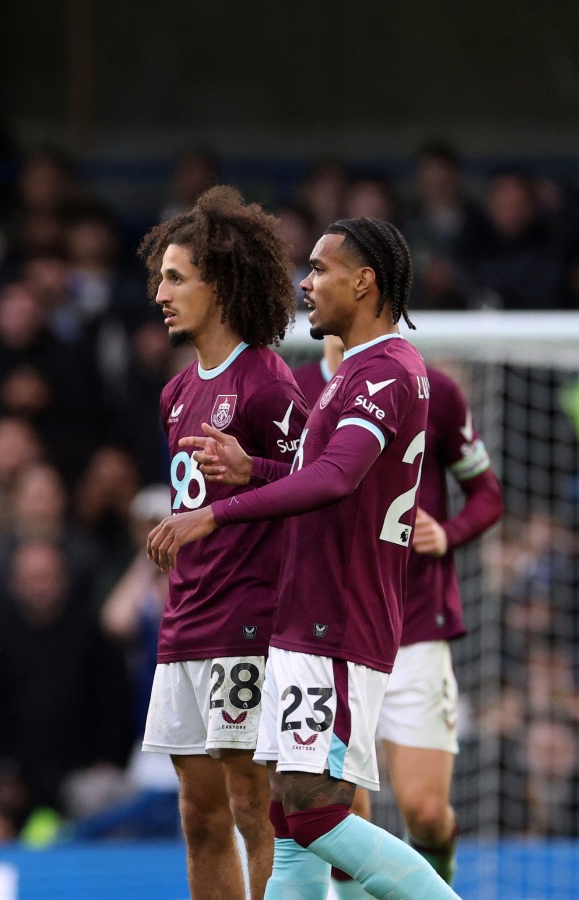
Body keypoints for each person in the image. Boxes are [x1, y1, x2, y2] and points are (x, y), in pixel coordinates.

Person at [148, 217, 460, 898]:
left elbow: (334, 478)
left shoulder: (384, 373)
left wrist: (215, 512)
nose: (306, 283)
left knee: (315, 813)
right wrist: (253, 470)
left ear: (365, 280)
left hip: (339, 620)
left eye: (320, 269)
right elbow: (311, 472)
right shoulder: (358, 372)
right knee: (289, 824)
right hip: (308, 617)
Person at [138, 185, 306, 900]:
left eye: (175, 277)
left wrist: (252, 472)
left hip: (250, 616)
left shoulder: (270, 382)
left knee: (251, 805)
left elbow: (319, 485)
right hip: (186, 618)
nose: (160, 294)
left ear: (222, 284)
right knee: (198, 814)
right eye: (159, 278)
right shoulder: (175, 394)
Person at [292, 336, 504, 896]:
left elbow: (486, 494)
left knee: (427, 812)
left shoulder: (436, 391)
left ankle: (440, 881)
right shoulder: (299, 391)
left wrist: (450, 532)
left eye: (324, 273)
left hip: (413, 625)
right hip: (331, 631)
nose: (313, 291)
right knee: (342, 816)